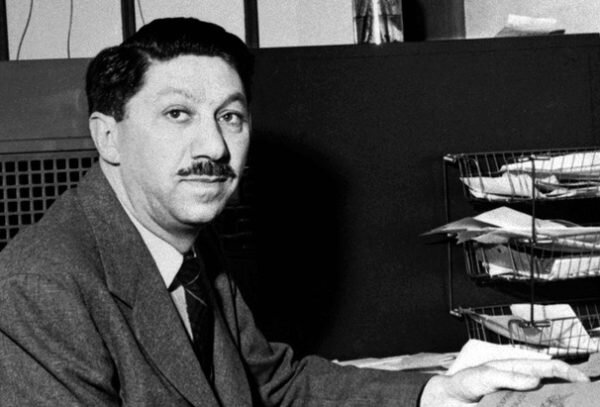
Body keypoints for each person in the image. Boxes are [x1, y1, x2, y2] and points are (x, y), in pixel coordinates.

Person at [0, 17, 589, 407]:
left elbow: (273, 385)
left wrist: (436, 391)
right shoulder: (39, 286)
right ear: (108, 137)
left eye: (230, 117)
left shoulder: (187, 244)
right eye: (178, 114)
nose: (214, 147)